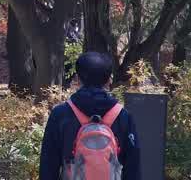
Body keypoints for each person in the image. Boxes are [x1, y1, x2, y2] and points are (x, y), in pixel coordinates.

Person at [39, 51, 140, 180]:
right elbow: (133, 168)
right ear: (109, 80)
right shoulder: (123, 116)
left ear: (77, 79)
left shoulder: (60, 114)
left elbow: (48, 166)